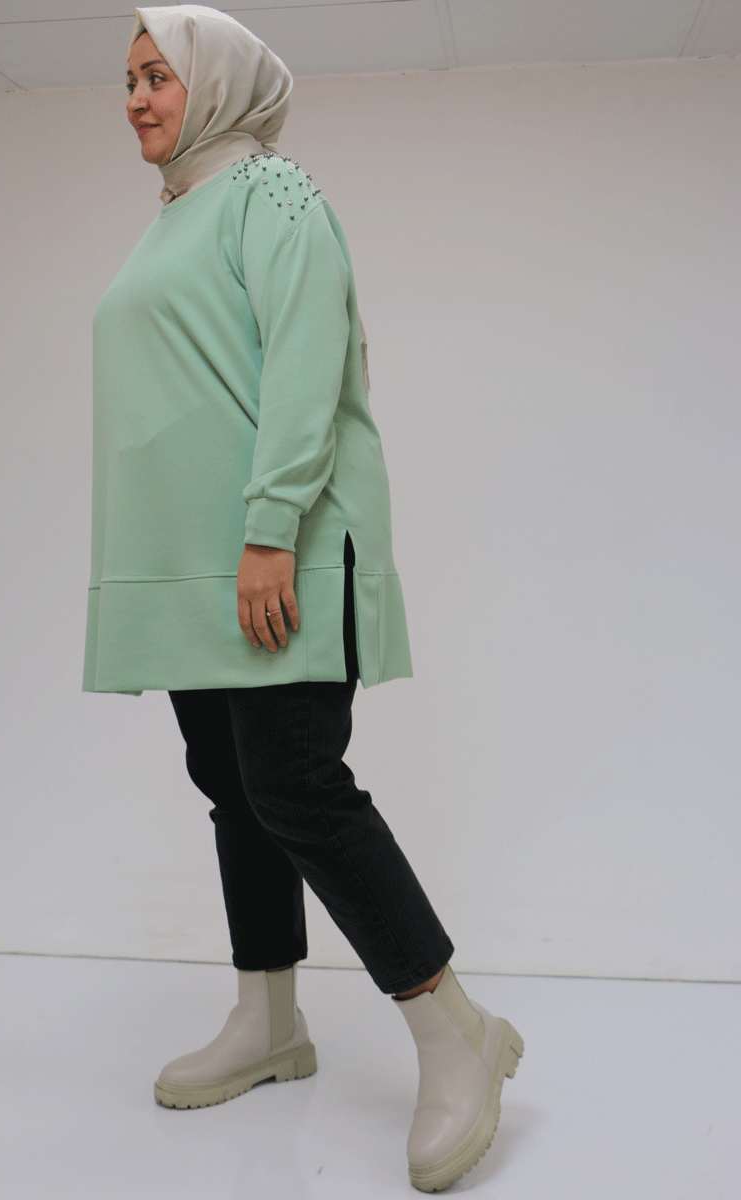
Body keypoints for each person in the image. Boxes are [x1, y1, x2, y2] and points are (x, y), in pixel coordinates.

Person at [84, 5, 523, 1192]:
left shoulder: (270, 194)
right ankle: (268, 1017)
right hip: (199, 567)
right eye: (126, 79)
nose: (134, 98)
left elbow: (305, 361)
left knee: (294, 784)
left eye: (156, 75)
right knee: (233, 789)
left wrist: (270, 529)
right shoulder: (173, 212)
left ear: (217, 83)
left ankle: (456, 1029)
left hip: (268, 554)